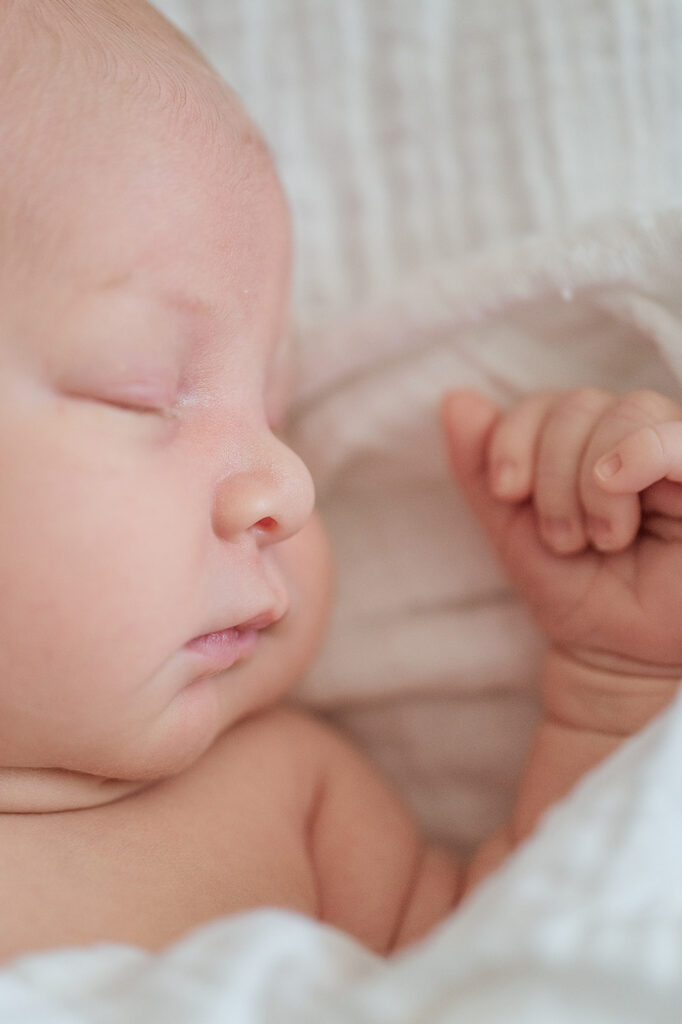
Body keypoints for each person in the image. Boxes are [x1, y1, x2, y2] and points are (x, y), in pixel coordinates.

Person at [1, 0, 681, 961]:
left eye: (274, 413)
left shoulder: (288, 801)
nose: (287, 483)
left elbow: (523, 969)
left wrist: (616, 686)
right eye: (144, 395)